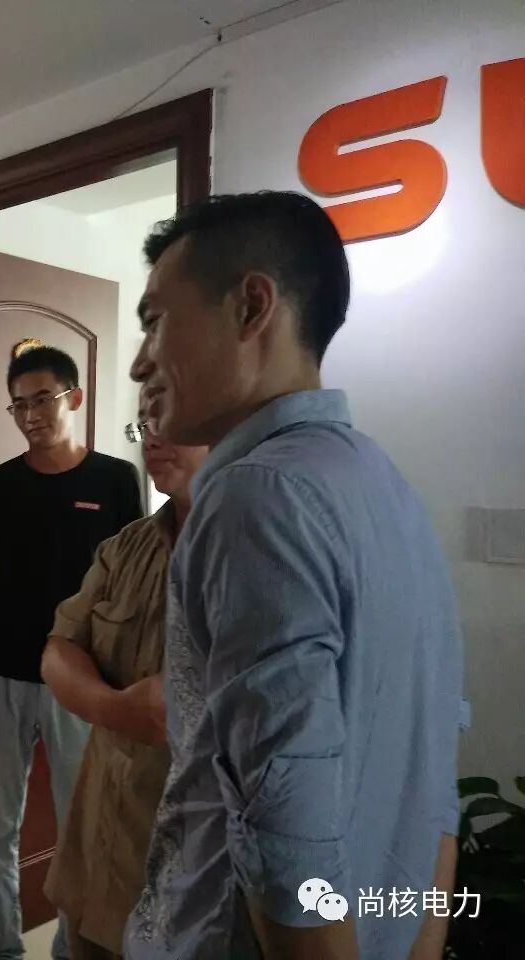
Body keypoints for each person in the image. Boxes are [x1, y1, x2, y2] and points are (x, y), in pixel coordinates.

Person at [125, 192, 462, 960]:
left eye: (155, 321)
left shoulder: (255, 496)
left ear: (251, 306)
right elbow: (434, 770)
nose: (141, 361)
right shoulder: (383, 483)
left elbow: (286, 829)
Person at [0, 344, 143, 960]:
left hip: (82, 677)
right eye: (18, 404)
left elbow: (126, 578)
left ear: (75, 397)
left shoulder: (115, 479)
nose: (30, 414)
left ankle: (71, 948)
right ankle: (2, 948)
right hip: (2, 669)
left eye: (42, 399)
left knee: (79, 826)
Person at [41, 413, 208, 960]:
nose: (153, 436)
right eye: (145, 420)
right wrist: (116, 707)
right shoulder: (127, 547)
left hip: (185, 885)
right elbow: (58, 650)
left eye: (171, 415)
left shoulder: (252, 554)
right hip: (95, 860)